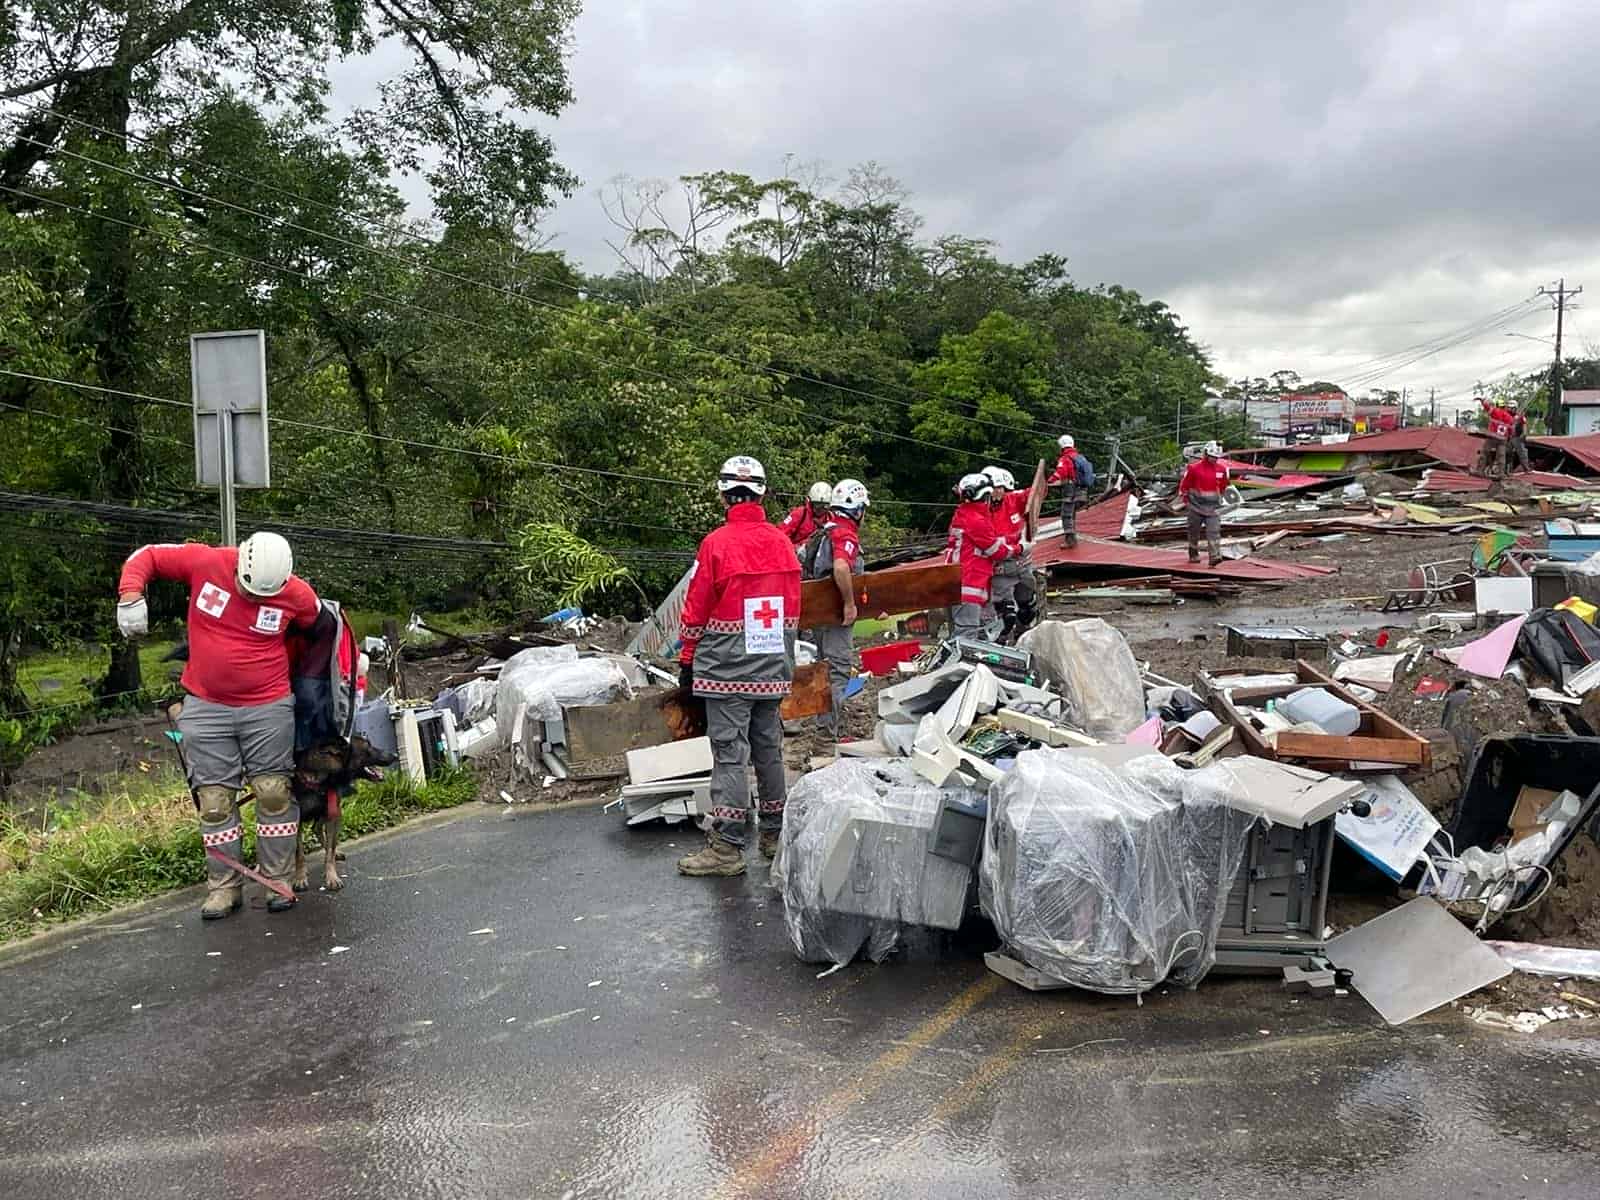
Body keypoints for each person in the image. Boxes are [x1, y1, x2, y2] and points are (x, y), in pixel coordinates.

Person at [116, 532, 321, 918]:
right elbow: (147, 555)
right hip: (207, 706)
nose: (257, 599)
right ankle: (224, 888)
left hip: (268, 706)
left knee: (274, 791)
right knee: (213, 802)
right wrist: (130, 595)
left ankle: (278, 880)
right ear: (240, 565)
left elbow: (317, 632)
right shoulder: (207, 562)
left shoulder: (298, 596)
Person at [675, 455, 803, 877]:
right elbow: (794, 608)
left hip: (726, 669)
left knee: (730, 755)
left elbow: (695, 610)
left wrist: (688, 660)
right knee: (768, 748)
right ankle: (774, 835)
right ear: (763, 492)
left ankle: (726, 848)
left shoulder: (717, 543)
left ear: (723, 493)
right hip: (772, 666)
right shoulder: (783, 543)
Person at [800, 478, 869, 738]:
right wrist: (849, 603)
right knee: (837, 669)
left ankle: (824, 724)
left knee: (823, 666)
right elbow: (841, 567)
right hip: (834, 614)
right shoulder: (844, 533)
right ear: (858, 510)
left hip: (818, 612)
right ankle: (827, 733)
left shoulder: (822, 531)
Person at [946, 472, 1015, 638]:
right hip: (969, 585)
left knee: (982, 634)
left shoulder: (966, 514)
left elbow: (986, 539)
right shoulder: (976, 520)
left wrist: (1009, 539)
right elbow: (997, 552)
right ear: (985, 496)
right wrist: (1019, 548)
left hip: (966, 584)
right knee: (966, 637)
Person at [982, 466, 1039, 645]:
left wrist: (1054, 476)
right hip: (999, 569)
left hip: (1022, 565)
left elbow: (1036, 492)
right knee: (1006, 616)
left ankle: (1025, 637)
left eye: (1001, 487)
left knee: (1027, 608)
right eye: (995, 488)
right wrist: (1012, 542)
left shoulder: (1012, 499)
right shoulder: (979, 510)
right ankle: (1001, 646)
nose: (999, 492)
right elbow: (988, 542)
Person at [1178, 441, 1229, 566]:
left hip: (1213, 508)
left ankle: (1214, 557)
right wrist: (1186, 500)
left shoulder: (1221, 470)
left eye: (1216, 457)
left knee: (1214, 532)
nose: (1214, 459)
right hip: (1195, 506)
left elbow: (1223, 486)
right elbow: (1185, 485)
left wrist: (1220, 499)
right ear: (1206, 454)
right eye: (1212, 457)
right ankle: (1193, 554)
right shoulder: (1194, 468)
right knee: (1193, 532)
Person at [1046, 435, 1094, 547]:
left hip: (1070, 490)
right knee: (1072, 514)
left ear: (1062, 446)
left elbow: (1060, 472)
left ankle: (1070, 540)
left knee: (1066, 514)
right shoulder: (1079, 457)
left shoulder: (1065, 458)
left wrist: (1049, 480)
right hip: (1081, 490)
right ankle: (1072, 535)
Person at [777, 481, 832, 548]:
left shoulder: (831, 520)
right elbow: (780, 534)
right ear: (810, 502)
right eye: (817, 505)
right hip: (794, 552)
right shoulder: (800, 514)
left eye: (824, 506)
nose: (820, 509)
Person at [1477, 396, 1512, 476]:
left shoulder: (1496, 411)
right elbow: (1511, 430)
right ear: (1505, 407)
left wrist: (1482, 401)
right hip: (1503, 439)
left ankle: (1480, 470)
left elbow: (1487, 407)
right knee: (1501, 456)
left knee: (1485, 452)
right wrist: (1508, 438)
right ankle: (1501, 473)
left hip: (1493, 436)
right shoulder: (1510, 417)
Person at [1508, 400, 1532, 473]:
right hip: (1508, 437)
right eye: (1509, 407)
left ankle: (1526, 469)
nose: (1510, 409)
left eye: (1512, 408)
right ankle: (1508, 470)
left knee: (1522, 453)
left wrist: (1524, 433)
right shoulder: (1506, 415)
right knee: (1508, 453)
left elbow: (1524, 424)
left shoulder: (1520, 416)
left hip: (1517, 437)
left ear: (1515, 408)